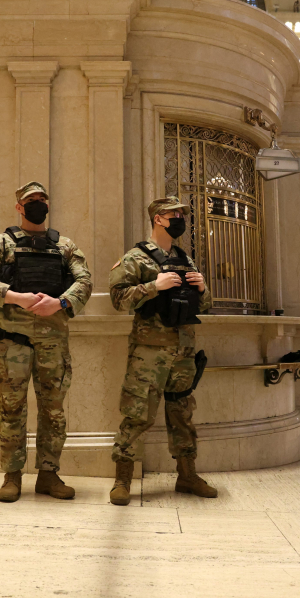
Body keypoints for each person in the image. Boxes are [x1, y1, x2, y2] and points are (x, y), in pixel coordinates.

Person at [0, 181, 93, 503]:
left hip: (53, 341)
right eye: (31, 199)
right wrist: (16, 297)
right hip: (14, 341)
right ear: (19, 207)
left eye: (42, 198)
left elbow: (84, 281)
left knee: (53, 411)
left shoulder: (64, 246)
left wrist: (61, 303)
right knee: (11, 409)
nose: (38, 202)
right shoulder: (1, 243)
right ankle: (12, 476)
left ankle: (48, 475)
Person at [108, 197, 218, 505]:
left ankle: (187, 475)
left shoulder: (185, 258)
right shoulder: (136, 258)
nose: (181, 218)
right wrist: (154, 286)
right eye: (176, 214)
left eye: (182, 213)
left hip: (183, 351)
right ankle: (122, 479)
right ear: (158, 218)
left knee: (182, 414)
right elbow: (118, 300)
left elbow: (205, 305)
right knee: (137, 413)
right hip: (149, 351)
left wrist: (202, 288)